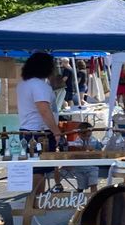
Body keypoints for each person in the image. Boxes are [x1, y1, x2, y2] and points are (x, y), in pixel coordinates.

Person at [17, 52, 64, 190]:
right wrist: (56, 131)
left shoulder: (24, 84)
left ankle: (37, 198)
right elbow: (44, 110)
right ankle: (37, 199)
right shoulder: (39, 85)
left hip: (30, 130)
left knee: (38, 168)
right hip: (39, 133)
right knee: (39, 169)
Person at [65, 122, 103, 191]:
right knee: (81, 186)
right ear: (78, 134)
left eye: (88, 136)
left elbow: (100, 150)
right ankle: (80, 196)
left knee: (93, 184)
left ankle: (94, 196)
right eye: (84, 136)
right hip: (79, 168)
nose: (86, 138)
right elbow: (72, 154)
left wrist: (94, 150)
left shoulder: (94, 141)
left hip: (92, 167)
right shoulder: (76, 142)